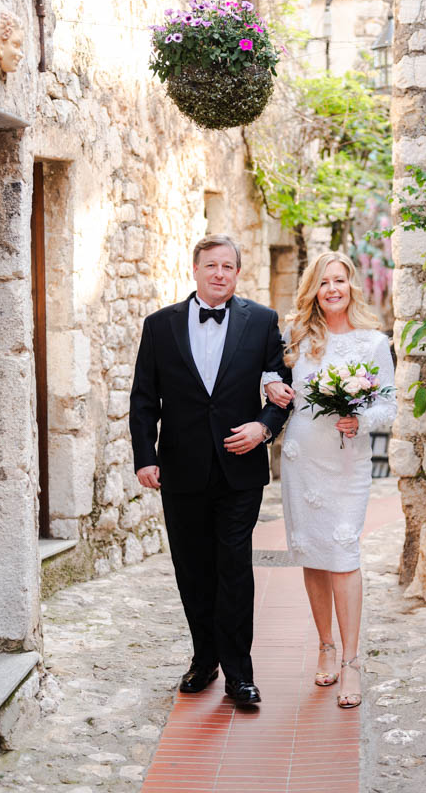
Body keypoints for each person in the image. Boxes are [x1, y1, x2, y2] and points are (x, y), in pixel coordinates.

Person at [129, 235, 291, 705]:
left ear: (237, 273)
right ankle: (204, 660)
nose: (219, 273)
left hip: (239, 470)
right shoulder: (159, 326)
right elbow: (144, 399)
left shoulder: (261, 322)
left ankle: (240, 673)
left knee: (235, 568)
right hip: (180, 470)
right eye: (211, 265)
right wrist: (145, 456)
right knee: (193, 568)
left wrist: (263, 429)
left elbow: (281, 390)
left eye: (228, 266)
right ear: (195, 270)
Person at [266, 251, 396, 708]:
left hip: (347, 461)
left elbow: (388, 405)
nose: (332, 289)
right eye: (324, 283)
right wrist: (270, 385)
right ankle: (325, 645)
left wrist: (359, 419)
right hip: (302, 456)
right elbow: (270, 375)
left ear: (351, 285)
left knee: (343, 550)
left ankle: (352, 662)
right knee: (314, 555)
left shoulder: (373, 343)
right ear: (314, 290)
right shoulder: (297, 336)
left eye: (339, 280)